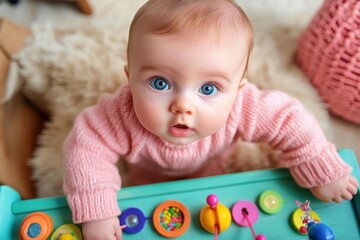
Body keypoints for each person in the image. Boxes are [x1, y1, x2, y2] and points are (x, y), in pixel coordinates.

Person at [63, 0, 359, 239]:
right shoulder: (119, 115)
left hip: (213, 173)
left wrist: (317, 165)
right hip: (145, 181)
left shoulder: (241, 107)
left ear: (236, 91)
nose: (182, 106)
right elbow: (85, 147)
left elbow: (289, 120)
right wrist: (97, 210)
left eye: (208, 88)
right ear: (130, 80)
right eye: (160, 83)